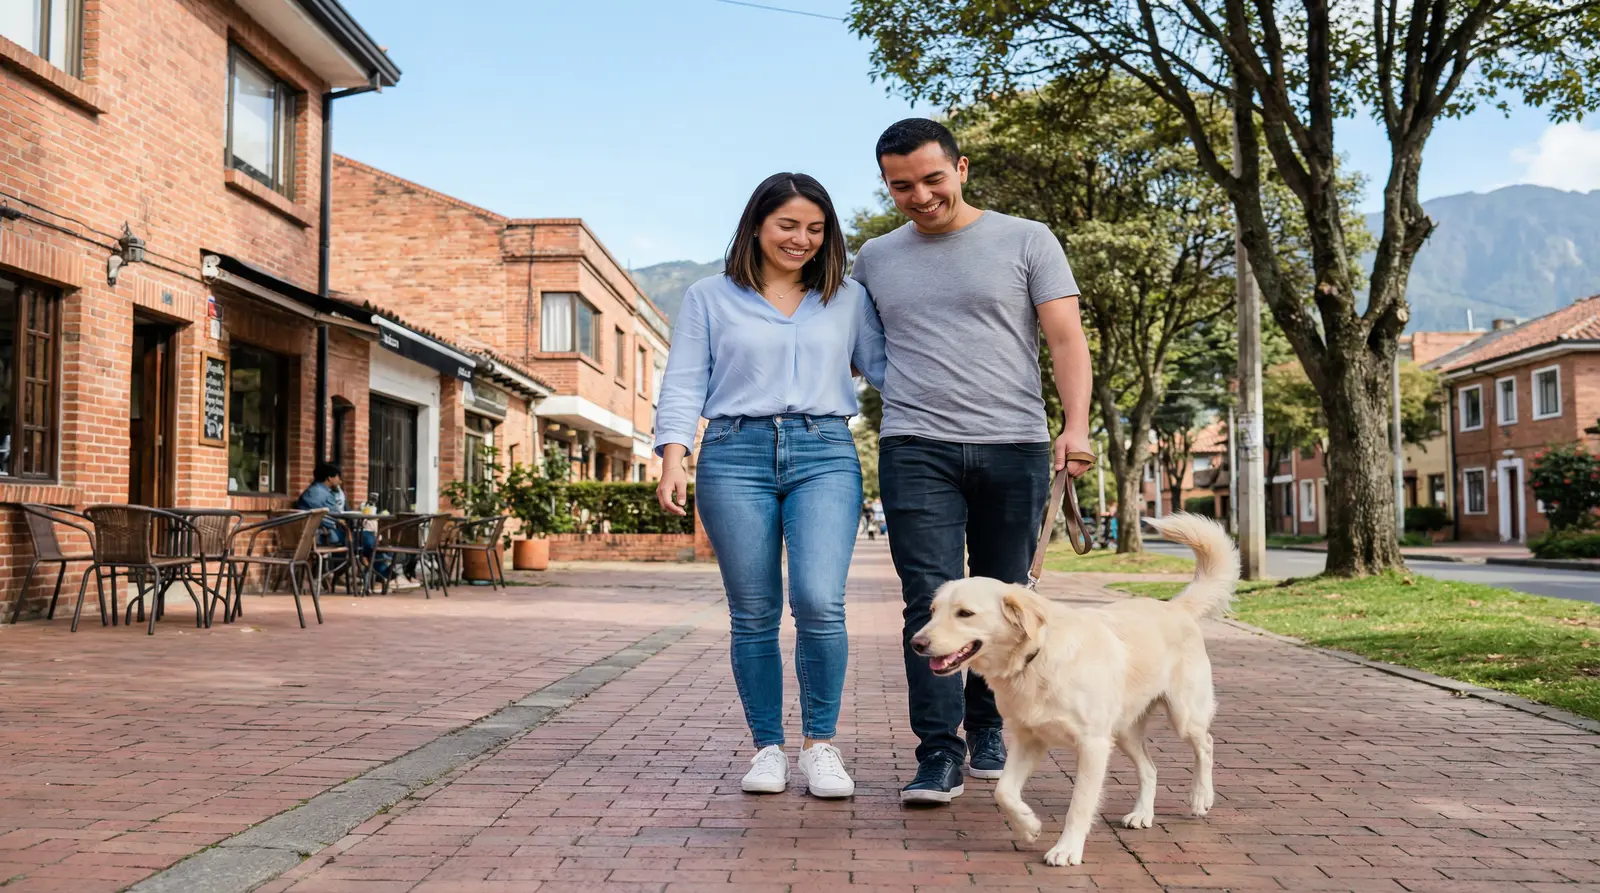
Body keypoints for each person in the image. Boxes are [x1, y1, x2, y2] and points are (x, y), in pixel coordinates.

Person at [850, 118, 1095, 805]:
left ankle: (990, 729)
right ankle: (938, 752)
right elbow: (843, 338)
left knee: (1006, 600)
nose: (921, 196)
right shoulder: (875, 257)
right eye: (901, 186)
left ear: (961, 168)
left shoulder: (1027, 239)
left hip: (1014, 444)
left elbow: (1066, 338)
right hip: (915, 445)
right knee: (926, 600)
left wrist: (1075, 427)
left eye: (933, 178)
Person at [654, 172, 885, 799]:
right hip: (733, 453)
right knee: (753, 611)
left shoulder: (848, 298)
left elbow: (891, 373)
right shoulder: (709, 296)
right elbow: (683, 380)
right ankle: (767, 749)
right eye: (788, 225)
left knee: (819, 600)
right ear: (757, 225)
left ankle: (820, 745)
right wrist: (673, 457)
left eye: (815, 229)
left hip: (824, 450)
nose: (801, 239)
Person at [294, 463, 384, 578]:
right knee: (368, 539)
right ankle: (383, 573)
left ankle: (379, 572)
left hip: (312, 534)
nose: (340, 480)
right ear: (330, 478)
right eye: (338, 476)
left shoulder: (311, 491)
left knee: (364, 540)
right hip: (322, 535)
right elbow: (335, 517)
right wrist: (341, 522)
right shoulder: (323, 494)